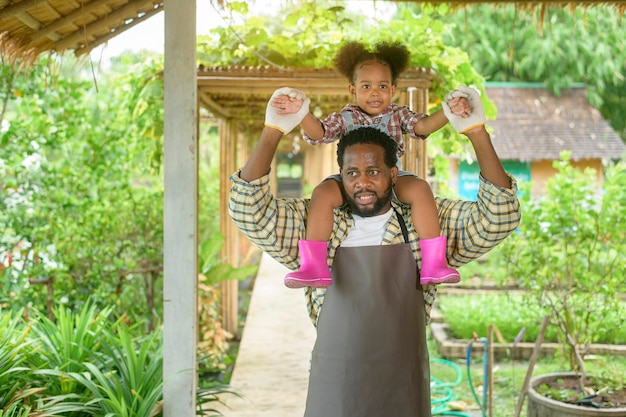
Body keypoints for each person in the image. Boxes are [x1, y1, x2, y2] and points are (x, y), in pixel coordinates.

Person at [228, 86, 521, 417]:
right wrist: (273, 131)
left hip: (403, 390)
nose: (362, 183)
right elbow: (247, 211)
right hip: (335, 390)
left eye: (373, 172)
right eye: (352, 173)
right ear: (341, 175)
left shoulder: (424, 223)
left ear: (393, 174)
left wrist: (476, 133)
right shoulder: (317, 226)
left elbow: (500, 217)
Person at [268, 41, 479, 289]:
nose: (375, 93)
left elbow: (422, 128)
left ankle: (433, 264)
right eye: (366, 86)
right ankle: (314, 266)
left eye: (382, 86)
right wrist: (301, 113)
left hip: (391, 176)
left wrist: (448, 111)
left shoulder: (398, 114)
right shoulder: (346, 117)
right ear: (353, 89)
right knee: (322, 193)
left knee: (421, 188)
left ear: (393, 89)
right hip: (350, 181)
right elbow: (319, 133)